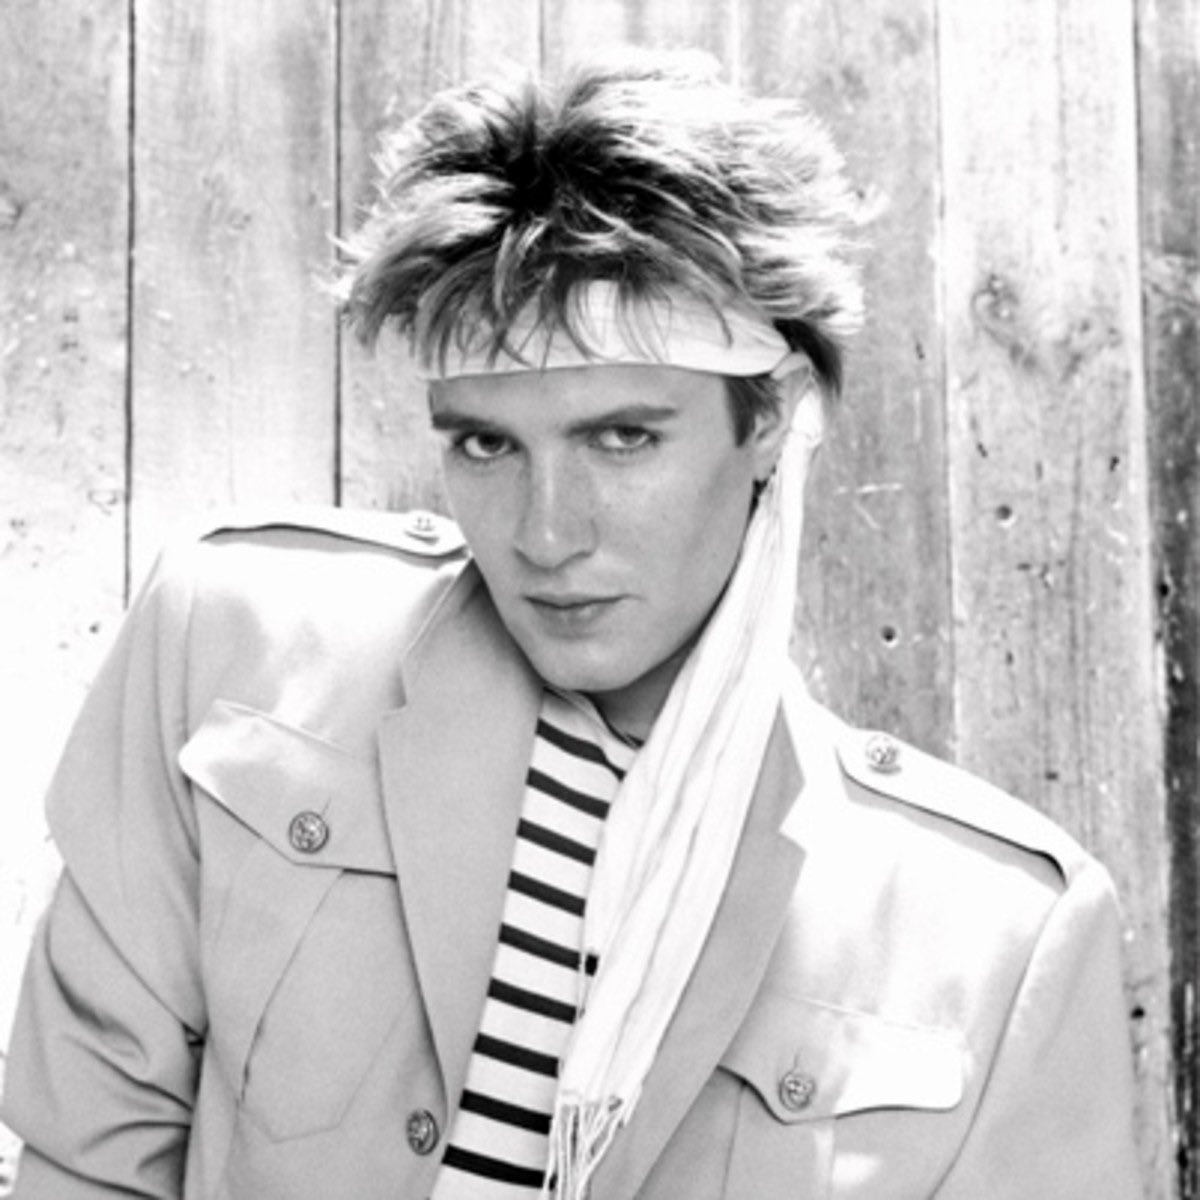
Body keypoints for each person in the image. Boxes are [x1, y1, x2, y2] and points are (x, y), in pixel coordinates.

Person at [1, 52, 1142, 1200]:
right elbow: (82, 1162)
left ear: (771, 419)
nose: (546, 535)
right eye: (485, 443)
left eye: (622, 438)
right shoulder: (231, 646)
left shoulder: (997, 938)